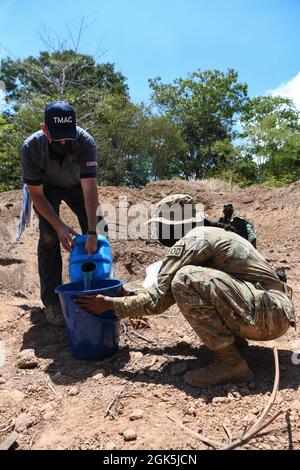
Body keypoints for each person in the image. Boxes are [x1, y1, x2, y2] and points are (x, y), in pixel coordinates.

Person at [77, 194, 295, 388]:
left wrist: (112, 306)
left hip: (268, 316)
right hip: (272, 311)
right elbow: (168, 294)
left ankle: (231, 364)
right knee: (190, 279)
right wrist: (130, 297)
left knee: (185, 279)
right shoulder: (209, 234)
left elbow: (159, 301)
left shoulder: (193, 240)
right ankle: (236, 343)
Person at [21, 101, 105, 326]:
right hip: (46, 188)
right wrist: (59, 226)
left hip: (77, 185)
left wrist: (92, 232)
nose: (63, 142)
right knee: (48, 237)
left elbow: (89, 188)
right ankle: (52, 303)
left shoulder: (85, 142)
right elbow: (36, 195)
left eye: (67, 135)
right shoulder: (31, 148)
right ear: (44, 129)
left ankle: (101, 291)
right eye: (56, 136)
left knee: (99, 231)